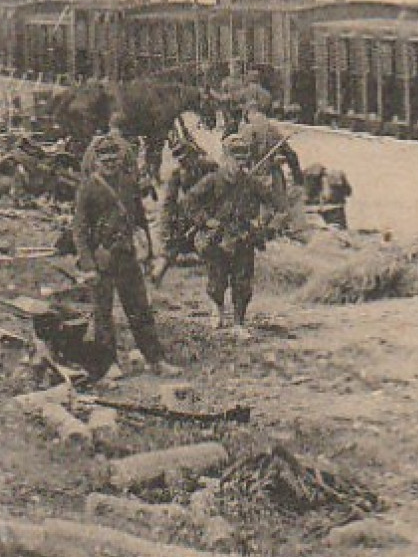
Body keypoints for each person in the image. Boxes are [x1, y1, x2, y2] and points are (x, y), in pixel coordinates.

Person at [73, 137, 178, 376]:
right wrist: (88, 264)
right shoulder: (89, 187)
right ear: (97, 161)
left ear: (120, 159)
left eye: (113, 157)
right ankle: (108, 364)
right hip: (102, 260)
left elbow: (140, 219)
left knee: (140, 309)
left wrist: (149, 252)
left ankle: (155, 360)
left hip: (127, 255)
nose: (110, 162)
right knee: (103, 313)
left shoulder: (129, 183)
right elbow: (79, 229)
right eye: (104, 158)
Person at [187, 134, 278, 336]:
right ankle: (217, 309)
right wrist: (205, 220)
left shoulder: (251, 182)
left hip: (243, 236)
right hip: (218, 238)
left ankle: (238, 323)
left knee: (243, 281)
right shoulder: (212, 180)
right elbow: (191, 201)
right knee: (217, 280)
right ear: (225, 157)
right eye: (235, 157)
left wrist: (263, 221)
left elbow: (271, 202)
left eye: (243, 157)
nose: (240, 162)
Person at [154, 137, 217, 281]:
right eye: (181, 161)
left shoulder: (210, 168)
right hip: (190, 216)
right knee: (178, 238)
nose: (185, 164)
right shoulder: (176, 175)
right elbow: (168, 205)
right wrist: (166, 235)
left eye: (188, 159)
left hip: (211, 212)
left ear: (195, 155)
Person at [303, 163, 354, 228]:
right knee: (339, 232)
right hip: (335, 208)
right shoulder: (337, 174)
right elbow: (348, 192)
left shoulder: (306, 176)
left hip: (313, 209)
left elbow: (305, 196)